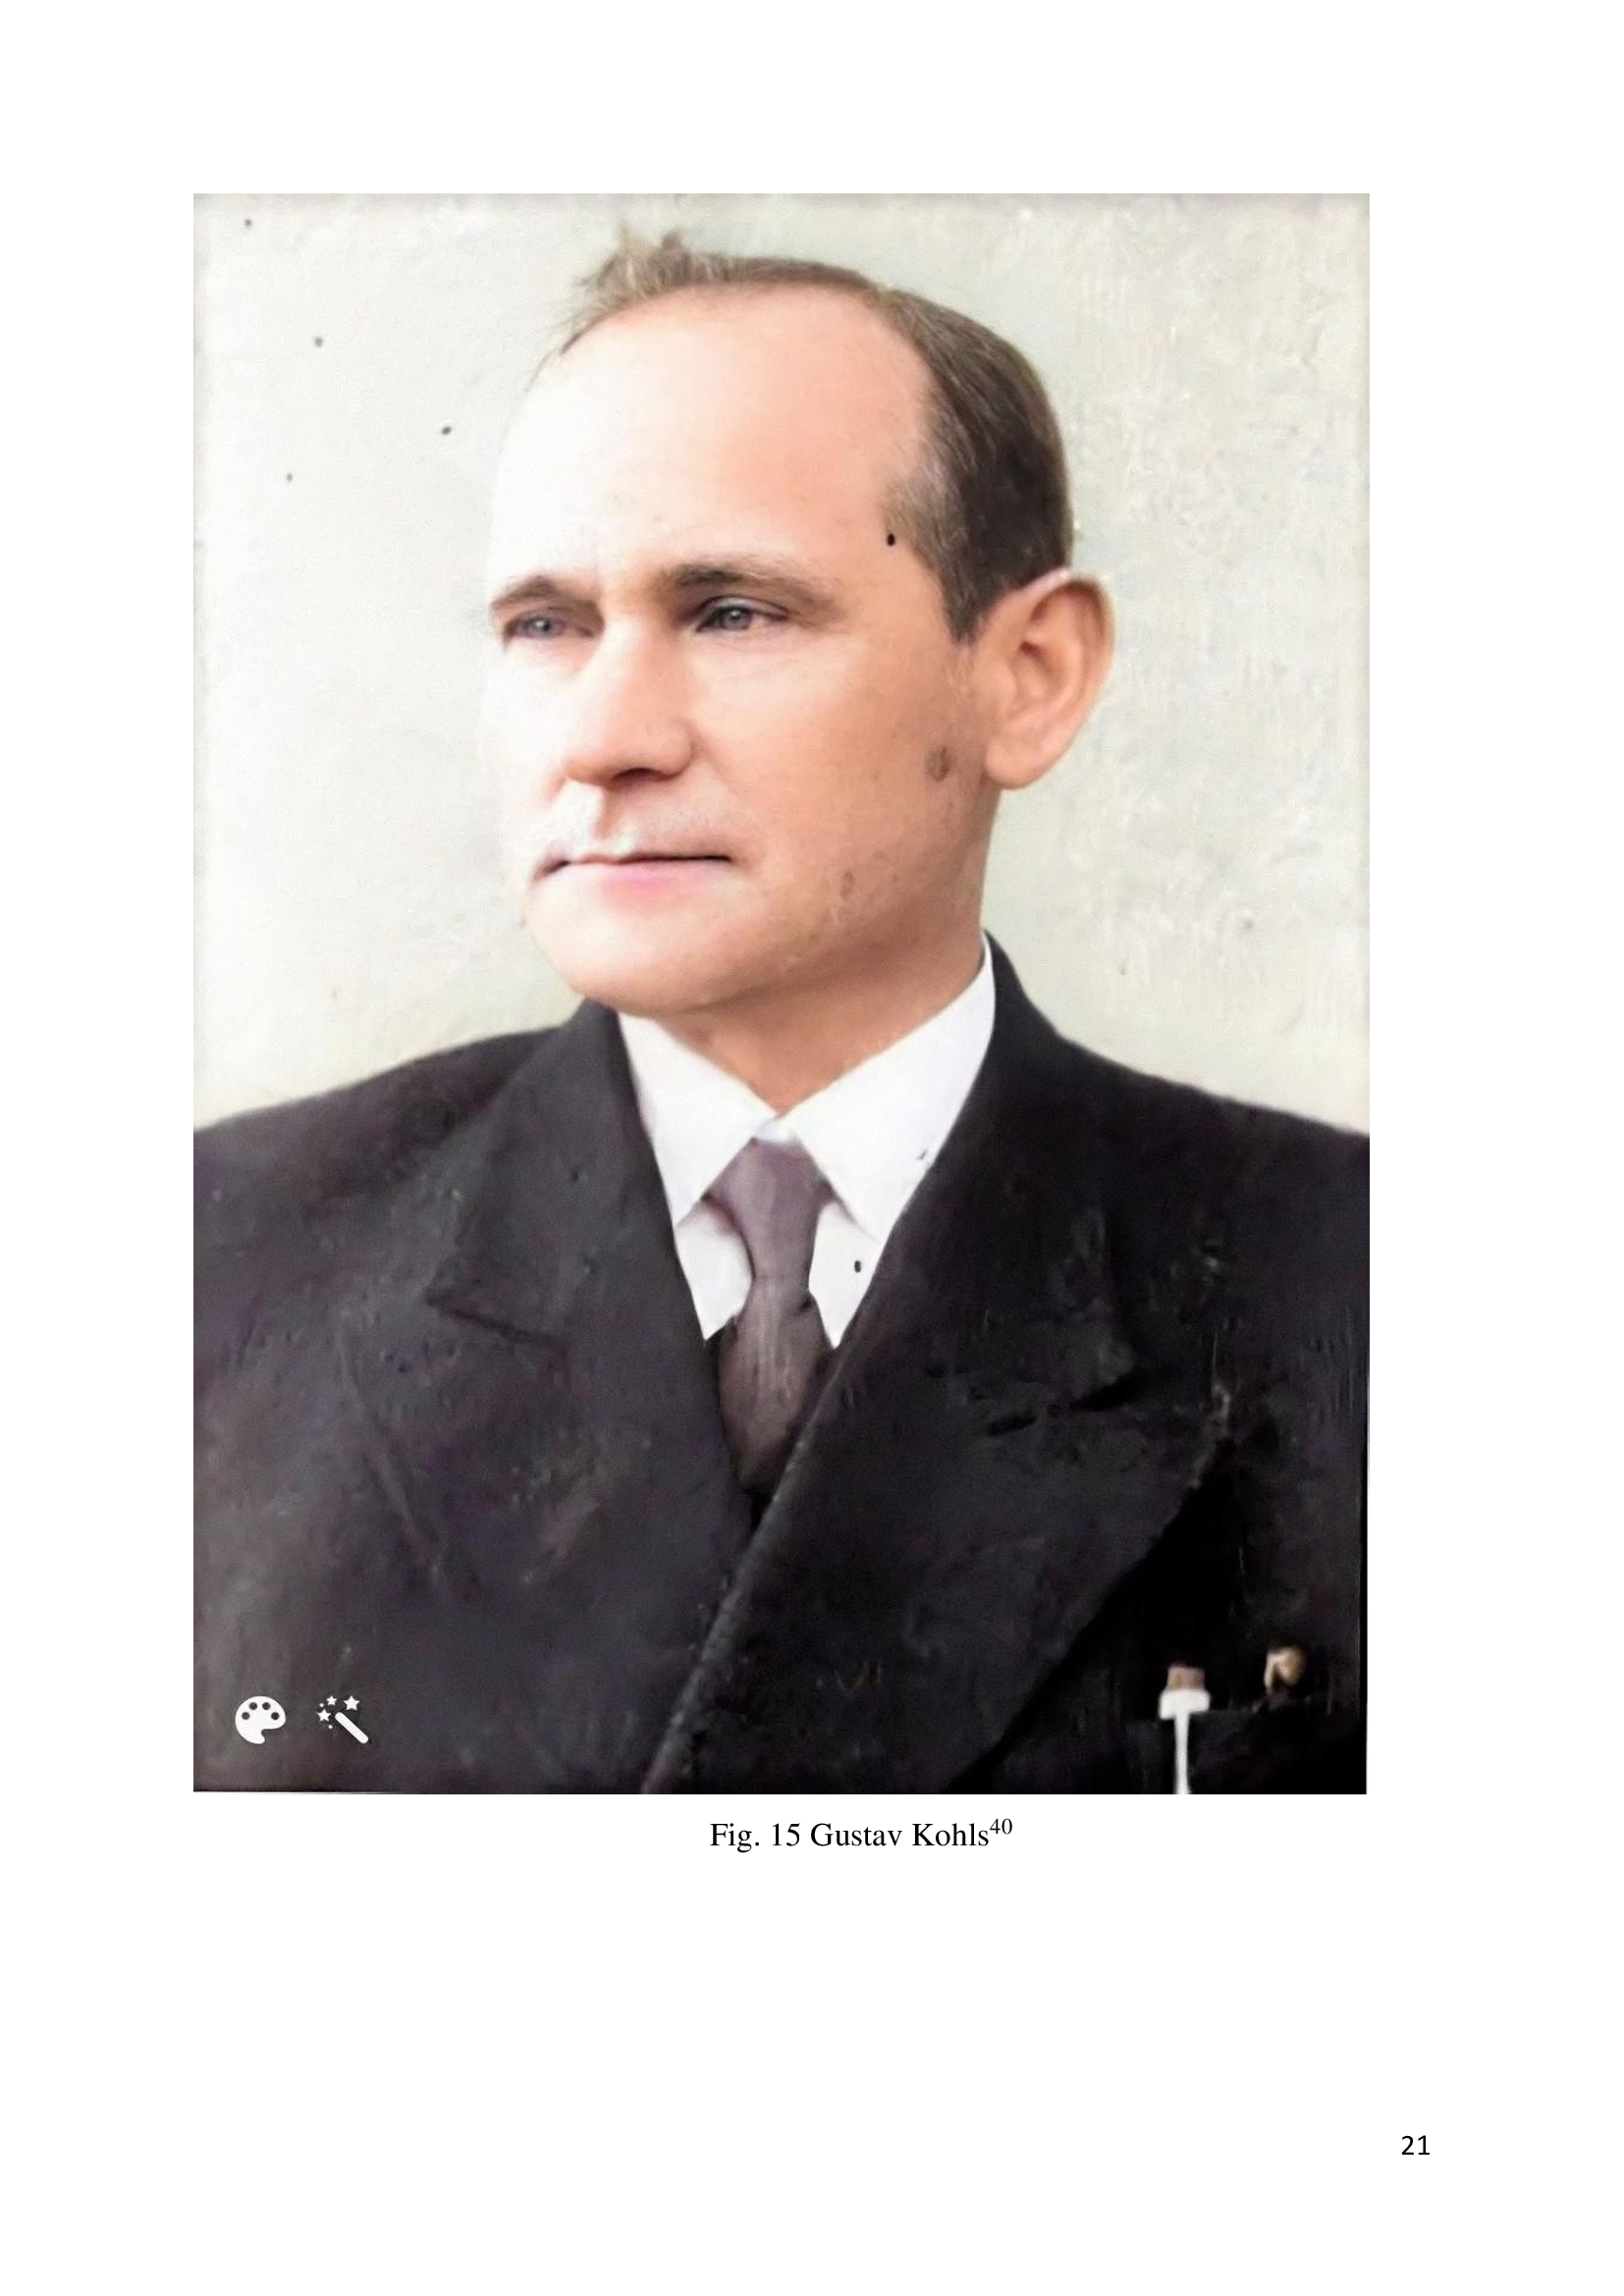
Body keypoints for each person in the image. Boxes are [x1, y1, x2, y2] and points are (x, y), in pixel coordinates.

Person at [195, 232, 1367, 1793]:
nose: (602, 737)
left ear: (1027, 674)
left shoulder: (1355, 1283)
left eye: (734, 611)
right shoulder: (218, 1259)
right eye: (543, 623)